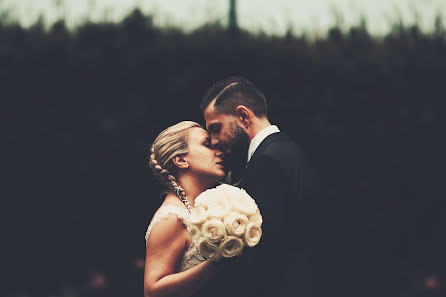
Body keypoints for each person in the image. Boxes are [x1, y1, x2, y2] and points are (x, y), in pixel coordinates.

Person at [200, 76, 326, 297]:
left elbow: (266, 256)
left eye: (216, 128)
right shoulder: (289, 151)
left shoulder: (266, 163)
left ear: (242, 116)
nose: (213, 140)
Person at [143, 121, 228, 297]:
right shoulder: (171, 218)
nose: (219, 151)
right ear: (181, 160)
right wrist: (217, 263)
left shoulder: (207, 207)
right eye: (207, 145)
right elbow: (152, 291)